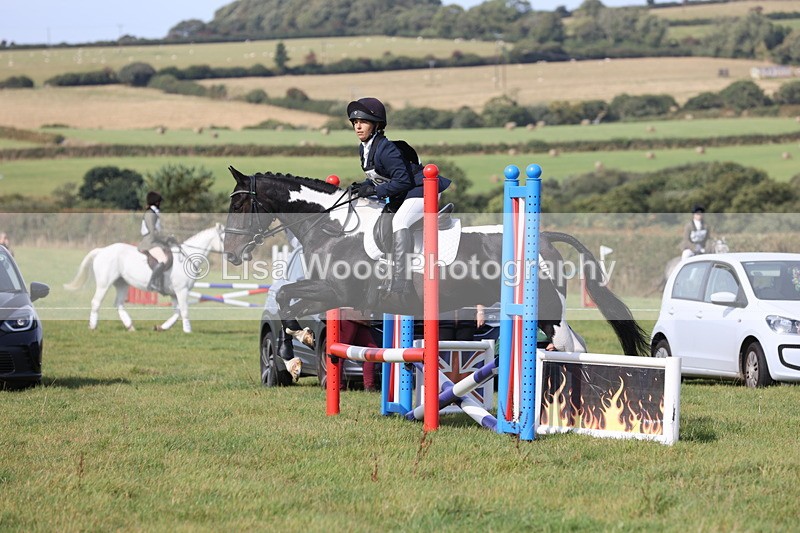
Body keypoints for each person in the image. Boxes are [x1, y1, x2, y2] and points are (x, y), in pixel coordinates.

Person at [346, 97, 451, 296]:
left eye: (363, 122)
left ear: (376, 125)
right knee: (380, 223)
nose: (358, 127)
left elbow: (403, 181)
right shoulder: (366, 148)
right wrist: (364, 186)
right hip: (404, 194)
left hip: (422, 190)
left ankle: (402, 281)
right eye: (355, 123)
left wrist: (375, 191)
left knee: (400, 222)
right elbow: (382, 177)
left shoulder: (386, 149)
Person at [137, 191, 173, 293]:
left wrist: (168, 237)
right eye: (160, 202)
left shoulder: (154, 213)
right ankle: (152, 282)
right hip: (150, 242)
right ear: (157, 202)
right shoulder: (150, 214)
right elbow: (153, 232)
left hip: (155, 241)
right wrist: (166, 239)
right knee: (163, 259)